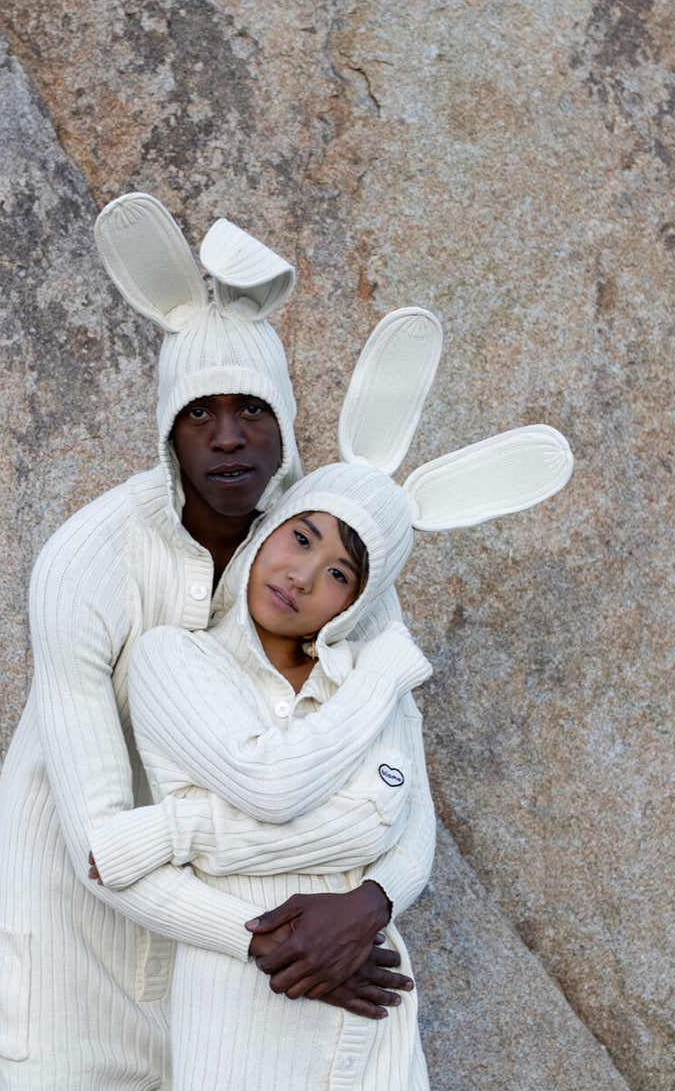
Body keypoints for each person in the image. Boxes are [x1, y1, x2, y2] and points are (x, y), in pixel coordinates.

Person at [0, 197, 433, 1090]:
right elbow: (99, 844)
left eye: (254, 409)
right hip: (83, 939)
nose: (229, 436)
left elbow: (401, 766)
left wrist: (370, 905)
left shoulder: (329, 533)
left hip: (244, 982)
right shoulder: (86, 564)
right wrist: (291, 944)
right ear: (167, 430)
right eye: (201, 413)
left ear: (289, 423)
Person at [85, 307, 576, 1090]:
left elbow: (410, 825)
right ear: (270, 526)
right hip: (245, 1008)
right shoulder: (175, 659)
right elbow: (274, 785)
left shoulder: (361, 687)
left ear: (353, 602)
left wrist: (370, 903)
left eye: (342, 572)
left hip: (371, 1001)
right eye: (302, 537)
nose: (304, 576)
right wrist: (382, 689)